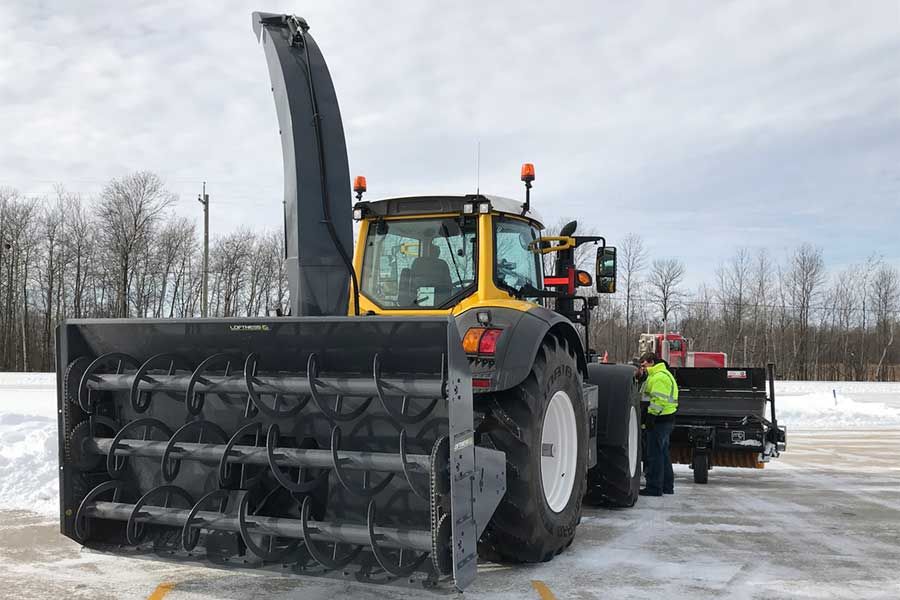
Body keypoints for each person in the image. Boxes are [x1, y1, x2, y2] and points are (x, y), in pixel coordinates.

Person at [636, 351, 678, 496]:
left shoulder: (659, 377)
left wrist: (651, 418)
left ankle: (654, 487)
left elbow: (659, 400)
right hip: (665, 420)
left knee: (654, 455)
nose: (643, 368)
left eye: (644, 365)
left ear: (651, 362)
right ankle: (667, 486)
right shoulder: (661, 375)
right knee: (663, 454)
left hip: (659, 421)